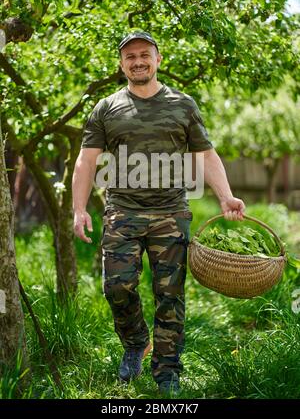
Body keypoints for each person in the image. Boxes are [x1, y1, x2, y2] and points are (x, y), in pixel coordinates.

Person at [72, 31, 245, 395]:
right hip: (122, 210)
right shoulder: (106, 108)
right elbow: (86, 162)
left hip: (171, 212)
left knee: (170, 295)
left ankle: (167, 374)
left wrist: (226, 197)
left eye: (144, 54)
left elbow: (205, 155)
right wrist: (78, 209)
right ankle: (136, 343)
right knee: (117, 287)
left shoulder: (183, 105)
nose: (138, 61)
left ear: (158, 59)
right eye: (130, 56)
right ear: (121, 64)